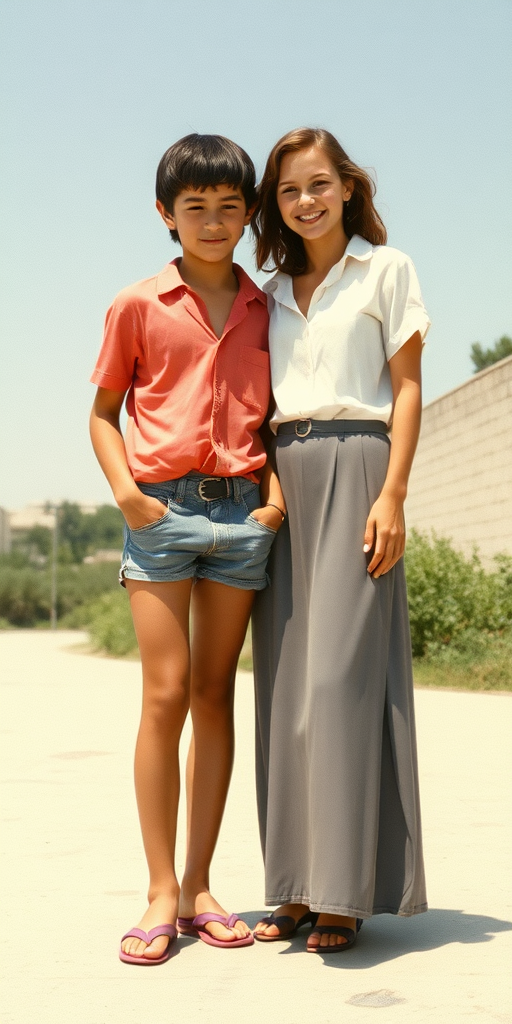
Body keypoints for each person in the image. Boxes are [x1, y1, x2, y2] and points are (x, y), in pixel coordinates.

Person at [90, 133, 285, 964]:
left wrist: (273, 502)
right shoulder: (137, 304)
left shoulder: (269, 308)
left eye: (229, 207)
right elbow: (103, 414)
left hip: (244, 517)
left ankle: (203, 885)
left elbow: (282, 414)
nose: (213, 222)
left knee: (215, 696)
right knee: (164, 696)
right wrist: (130, 497)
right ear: (166, 215)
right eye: (195, 208)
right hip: (161, 515)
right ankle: (160, 891)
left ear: (248, 214)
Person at [250, 127, 430, 953]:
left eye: (319, 184)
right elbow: (259, 407)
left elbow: (407, 387)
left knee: (340, 682)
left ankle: (345, 890)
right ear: (275, 204)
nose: (306, 201)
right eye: (289, 190)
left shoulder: (385, 271)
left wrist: (393, 493)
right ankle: (292, 882)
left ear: (348, 187)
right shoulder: (270, 288)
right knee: (286, 688)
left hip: (360, 470)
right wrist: (270, 486)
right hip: (288, 480)